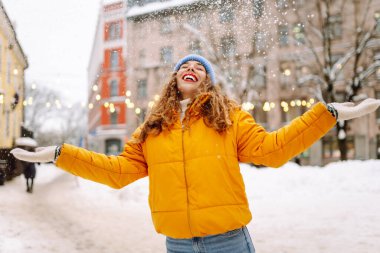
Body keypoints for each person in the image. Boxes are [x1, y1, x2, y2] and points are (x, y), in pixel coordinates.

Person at [11, 54, 380, 253]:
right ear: (174, 79)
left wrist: (324, 115)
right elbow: (119, 172)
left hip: (229, 242)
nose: (191, 68)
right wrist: (62, 154)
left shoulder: (229, 117)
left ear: (207, 81)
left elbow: (273, 151)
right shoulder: (153, 126)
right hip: (178, 245)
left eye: (199, 67)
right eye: (184, 66)